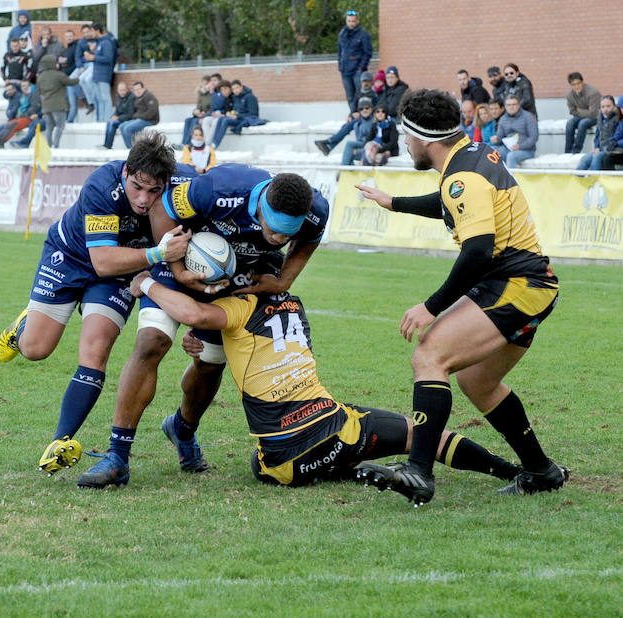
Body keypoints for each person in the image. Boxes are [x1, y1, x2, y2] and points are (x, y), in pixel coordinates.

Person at [354, 88, 568, 505]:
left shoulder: (461, 177)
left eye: (407, 136)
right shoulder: (470, 155)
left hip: (515, 284)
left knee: (429, 356)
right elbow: (451, 203)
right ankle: (542, 472)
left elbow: (477, 249)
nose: (405, 143)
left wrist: (429, 307)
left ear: (425, 140)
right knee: (478, 381)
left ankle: (418, 472)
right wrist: (393, 202)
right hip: (526, 283)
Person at [129, 272, 524, 488]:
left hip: (283, 464)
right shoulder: (294, 303)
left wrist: (147, 283)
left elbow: (195, 315)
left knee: (260, 464)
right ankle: (510, 472)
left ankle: (342, 471)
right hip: (339, 430)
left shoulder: (233, 309)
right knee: (415, 433)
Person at [77, 165, 329, 488]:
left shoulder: (315, 210)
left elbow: (310, 238)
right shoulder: (220, 189)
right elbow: (162, 209)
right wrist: (178, 269)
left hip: (238, 274)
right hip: (186, 259)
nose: (279, 239)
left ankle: (182, 430)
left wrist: (284, 280)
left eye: (286, 235)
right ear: (262, 205)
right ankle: (117, 456)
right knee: (152, 341)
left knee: (210, 364)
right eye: (274, 230)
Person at [0, 133, 189, 475]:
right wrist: (159, 254)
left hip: (120, 271)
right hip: (71, 257)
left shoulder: (182, 187)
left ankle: (60, 442)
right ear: (125, 171)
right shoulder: (102, 185)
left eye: (153, 191)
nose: (143, 200)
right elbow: (101, 261)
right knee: (36, 349)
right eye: (136, 186)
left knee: (96, 349)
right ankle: (23, 327)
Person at [34, 54, 79, 148]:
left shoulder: (40, 77)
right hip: (58, 105)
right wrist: (78, 77)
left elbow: (39, 91)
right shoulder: (58, 75)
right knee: (60, 126)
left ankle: (49, 145)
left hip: (46, 106)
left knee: (49, 127)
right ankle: (56, 145)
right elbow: (71, 82)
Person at [314, 96, 376, 164]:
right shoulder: (357, 121)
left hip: (369, 148)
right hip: (359, 146)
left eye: (367, 108)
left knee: (349, 146)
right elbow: (344, 130)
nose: (364, 110)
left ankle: (343, 169)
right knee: (345, 127)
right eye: (361, 109)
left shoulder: (374, 121)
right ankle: (329, 145)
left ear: (371, 109)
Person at [0, 80, 41, 149]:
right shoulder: (22, 95)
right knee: (3, 126)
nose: (24, 87)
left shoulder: (33, 94)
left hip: (29, 118)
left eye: (26, 85)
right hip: (21, 117)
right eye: (22, 86)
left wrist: (24, 114)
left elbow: (34, 107)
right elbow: (8, 94)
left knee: (12, 124)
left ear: (30, 86)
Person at [211, 80, 267, 149]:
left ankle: (215, 145)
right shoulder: (235, 97)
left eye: (237, 88)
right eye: (233, 89)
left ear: (241, 87)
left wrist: (237, 116)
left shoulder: (250, 97)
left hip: (246, 120)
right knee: (221, 119)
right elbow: (235, 110)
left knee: (225, 121)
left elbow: (253, 114)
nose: (235, 90)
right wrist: (230, 113)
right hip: (238, 118)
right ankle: (213, 142)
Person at [336, 9, 372, 110]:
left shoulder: (363, 35)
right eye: (349, 21)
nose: (351, 23)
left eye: (353, 21)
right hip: (345, 71)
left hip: (357, 71)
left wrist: (361, 67)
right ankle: (353, 115)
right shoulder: (342, 34)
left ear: (357, 21)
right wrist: (340, 65)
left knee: (360, 95)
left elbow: (368, 53)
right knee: (350, 96)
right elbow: (339, 51)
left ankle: (362, 116)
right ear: (346, 21)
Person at [490, 94, 538, 168]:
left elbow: (533, 137)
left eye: (514, 104)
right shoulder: (503, 119)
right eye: (508, 105)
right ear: (505, 106)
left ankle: (511, 179)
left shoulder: (529, 117)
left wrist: (520, 146)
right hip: (508, 148)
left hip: (526, 150)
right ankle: (496, 178)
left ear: (519, 105)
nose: (511, 107)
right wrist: (496, 139)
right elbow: (500, 137)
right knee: (492, 151)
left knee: (511, 156)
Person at [576, 96, 622, 171]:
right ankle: (577, 180)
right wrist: (597, 147)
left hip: (611, 149)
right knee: (584, 160)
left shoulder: (617, 118)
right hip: (600, 149)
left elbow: (616, 137)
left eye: (608, 106)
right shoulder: (600, 118)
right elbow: (597, 136)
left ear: (614, 106)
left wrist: (604, 148)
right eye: (603, 107)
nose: (605, 109)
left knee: (596, 158)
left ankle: (594, 180)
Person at [564, 72, 602, 154]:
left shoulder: (593, 92)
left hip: (596, 117)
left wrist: (580, 110)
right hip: (582, 116)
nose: (576, 86)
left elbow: (594, 113)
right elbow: (572, 111)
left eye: (578, 83)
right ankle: (567, 151)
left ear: (582, 82)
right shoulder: (570, 95)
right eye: (573, 84)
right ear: (570, 85)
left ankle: (576, 150)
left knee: (582, 123)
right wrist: (586, 111)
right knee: (570, 123)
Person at [119, 82, 160, 149]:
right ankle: (129, 148)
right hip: (140, 119)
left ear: (143, 88)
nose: (137, 91)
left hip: (150, 120)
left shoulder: (148, 96)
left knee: (127, 129)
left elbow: (152, 111)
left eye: (139, 89)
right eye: (135, 90)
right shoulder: (138, 97)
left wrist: (139, 117)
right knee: (121, 126)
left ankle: (132, 149)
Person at [91, 22, 117, 123]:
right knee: (99, 99)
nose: (91, 33)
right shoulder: (99, 43)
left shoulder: (107, 42)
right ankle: (101, 120)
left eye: (92, 31)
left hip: (104, 75)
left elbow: (108, 58)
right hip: (97, 75)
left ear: (97, 31)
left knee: (105, 97)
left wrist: (94, 57)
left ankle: (107, 120)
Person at [181, 75, 215, 147]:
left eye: (206, 84)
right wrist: (196, 112)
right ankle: (184, 143)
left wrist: (204, 114)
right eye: (203, 84)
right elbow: (198, 107)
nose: (205, 86)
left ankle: (189, 143)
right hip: (200, 115)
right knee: (188, 120)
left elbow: (213, 108)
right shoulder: (202, 95)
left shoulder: (212, 95)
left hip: (206, 116)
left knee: (195, 121)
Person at [101, 81, 136, 149]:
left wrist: (118, 117)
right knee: (109, 122)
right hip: (121, 118)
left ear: (127, 90)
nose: (122, 92)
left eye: (124, 90)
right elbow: (117, 111)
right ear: (118, 90)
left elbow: (131, 114)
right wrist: (113, 116)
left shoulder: (131, 98)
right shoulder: (119, 98)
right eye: (120, 90)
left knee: (113, 124)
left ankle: (108, 145)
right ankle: (106, 144)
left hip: (128, 119)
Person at [59, 29, 83, 123]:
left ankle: (69, 121)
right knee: (67, 102)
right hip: (65, 79)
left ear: (74, 36)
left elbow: (75, 62)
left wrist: (65, 61)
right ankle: (68, 120)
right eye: (67, 36)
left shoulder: (76, 47)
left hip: (72, 79)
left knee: (72, 103)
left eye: (70, 36)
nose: (68, 38)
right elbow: (63, 63)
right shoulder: (66, 50)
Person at [201, 80, 233, 144]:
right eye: (221, 89)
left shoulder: (233, 98)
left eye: (226, 89)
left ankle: (207, 143)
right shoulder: (220, 98)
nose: (224, 91)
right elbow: (213, 109)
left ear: (230, 89)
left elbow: (232, 111)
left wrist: (224, 115)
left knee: (215, 122)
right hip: (217, 116)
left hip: (225, 118)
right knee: (206, 120)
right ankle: (204, 141)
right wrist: (211, 114)